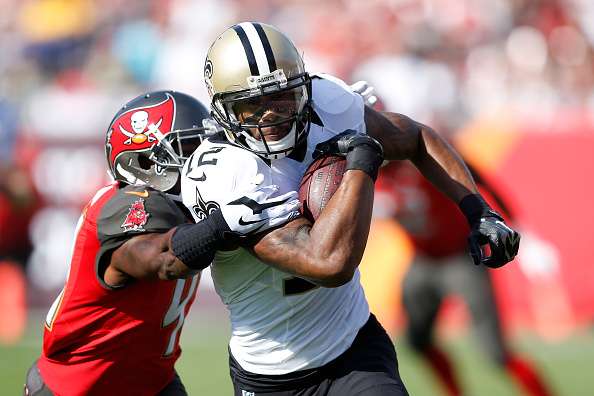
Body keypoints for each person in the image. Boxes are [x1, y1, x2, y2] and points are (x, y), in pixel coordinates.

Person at [180, 21, 521, 396]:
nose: (270, 116)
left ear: (304, 88)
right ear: (222, 110)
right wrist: (362, 162)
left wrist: (479, 211)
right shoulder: (224, 172)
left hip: (354, 349)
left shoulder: (329, 104)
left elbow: (418, 138)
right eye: (251, 105)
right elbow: (328, 264)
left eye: (281, 98)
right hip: (271, 375)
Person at [23, 90, 300, 396]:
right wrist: (222, 224)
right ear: (142, 162)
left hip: (153, 381)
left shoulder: (189, 204)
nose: (207, 156)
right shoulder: (122, 203)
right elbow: (164, 257)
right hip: (80, 385)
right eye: (190, 146)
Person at [375, 160, 556, 396]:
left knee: (496, 353)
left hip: (462, 256)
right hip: (422, 259)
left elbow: (480, 178)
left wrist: (526, 234)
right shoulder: (364, 166)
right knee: (417, 341)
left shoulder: (420, 152)